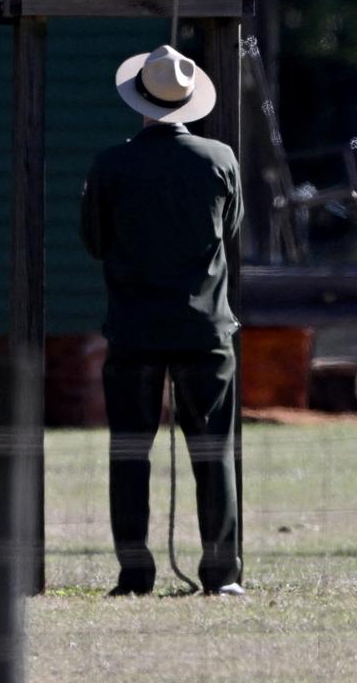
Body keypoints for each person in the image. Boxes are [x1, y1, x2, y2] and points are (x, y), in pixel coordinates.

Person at [79, 45, 245, 597]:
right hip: (205, 328)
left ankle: (134, 573)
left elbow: (94, 241)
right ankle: (222, 574)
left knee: (130, 453)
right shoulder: (219, 159)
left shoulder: (111, 164)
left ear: (139, 101)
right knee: (213, 451)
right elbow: (233, 227)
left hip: (135, 328)